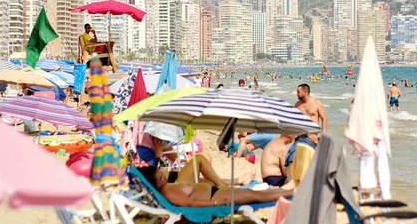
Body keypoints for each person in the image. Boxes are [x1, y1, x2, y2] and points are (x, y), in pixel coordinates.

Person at [137, 155, 294, 207]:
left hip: (195, 186)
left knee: (198, 158)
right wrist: (214, 204)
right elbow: (190, 204)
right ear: (156, 184)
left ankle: (286, 189)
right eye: (160, 177)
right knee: (254, 195)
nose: (162, 176)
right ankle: (290, 191)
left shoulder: (164, 188)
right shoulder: (169, 195)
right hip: (215, 196)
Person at [284, 84, 327, 168]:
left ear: (305, 92)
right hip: (300, 137)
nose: (296, 93)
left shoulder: (316, 103)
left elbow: (324, 118)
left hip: (313, 137)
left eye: (298, 92)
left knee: (314, 164)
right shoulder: (297, 105)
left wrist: (322, 136)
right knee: (294, 159)